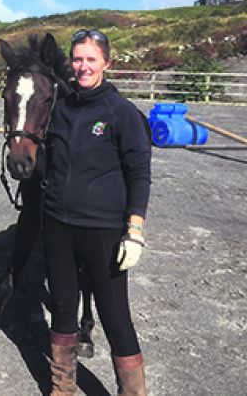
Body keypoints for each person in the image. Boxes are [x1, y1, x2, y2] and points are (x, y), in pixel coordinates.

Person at [42, 29, 151, 395]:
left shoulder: (122, 114)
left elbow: (139, 173)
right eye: (77, 59)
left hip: (103, 230)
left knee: (115, 316)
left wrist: (134, 229)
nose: (83, 66)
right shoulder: (60, 108)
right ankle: (62, 389)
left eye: (91, 59)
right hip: (58, 225)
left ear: (106, 62)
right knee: (61, 310)